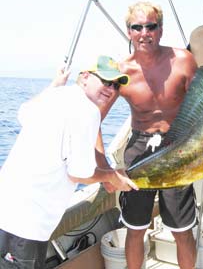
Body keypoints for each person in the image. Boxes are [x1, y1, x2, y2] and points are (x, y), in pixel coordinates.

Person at [0, 55, 138, 269]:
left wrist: (55, 84)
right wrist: (113, 176)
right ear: (84, 77)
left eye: (115, 85)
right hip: (27, 225)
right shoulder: (88, 111)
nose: (110, 89)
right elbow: (79, 174)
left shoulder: (55, 95)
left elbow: (22, 114)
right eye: (104, 81)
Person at [97, 1, 198, 269]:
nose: (144, 33)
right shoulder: (121, 72)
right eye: (137, 27)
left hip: (177, 149)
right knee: (135, 228)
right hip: (139, 148)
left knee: (182, 230)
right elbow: (92, 119)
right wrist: (103, 168)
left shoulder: (183, 60)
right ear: (128, 31)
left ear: (161, 30)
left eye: (151, 26)